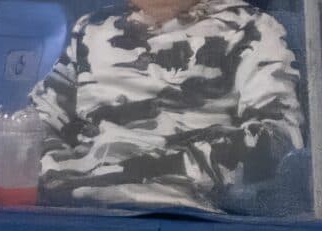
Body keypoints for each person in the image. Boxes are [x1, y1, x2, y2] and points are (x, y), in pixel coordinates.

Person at [26, 0, 304, 212]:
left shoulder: (252, 29)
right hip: (80, 213)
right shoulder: (91, 29)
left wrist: (142, 171)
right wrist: (62, 174)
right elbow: (31, 125)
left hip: (189, 219)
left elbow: (278, 138)